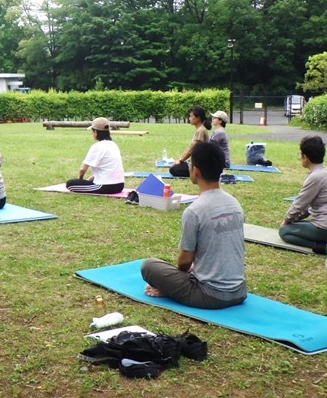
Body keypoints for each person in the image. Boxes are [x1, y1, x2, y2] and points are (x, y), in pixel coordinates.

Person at [141, 141, 246, 309]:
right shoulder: (235, 203)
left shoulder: (195, 210)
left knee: (149, 266)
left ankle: (173, 289)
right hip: (239, 292)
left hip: (209, 295)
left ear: (195, 171)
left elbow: (184, 262)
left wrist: (170, 285)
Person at [279, 135, 327, 255]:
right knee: (294, 225)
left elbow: (299, 204)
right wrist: (295, 219)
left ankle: (325, 247)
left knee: (285, 232)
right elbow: (308, 208)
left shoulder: (315, 177)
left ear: (305, 157)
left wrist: (286, 221)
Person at [65, 117, 125, 194]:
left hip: (106, 186)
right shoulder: (113, 145)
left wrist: (80, 180)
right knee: (90, 180)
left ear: (96, 132)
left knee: (70, 184)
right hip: (120, 185)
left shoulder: (97, 146)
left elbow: (82, 169)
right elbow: (109, 168)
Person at [169, 106, 210, 177]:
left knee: (173, 170)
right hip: (196, 163)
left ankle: (198, 173)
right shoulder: (199, 129)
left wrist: (181, 161)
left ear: (198, 118)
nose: (189, 118)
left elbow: (192, 149)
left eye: (191, 116)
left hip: (201, 165)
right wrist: (180, 159)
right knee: (174, 166)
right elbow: (190, 147)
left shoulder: (201, 130)